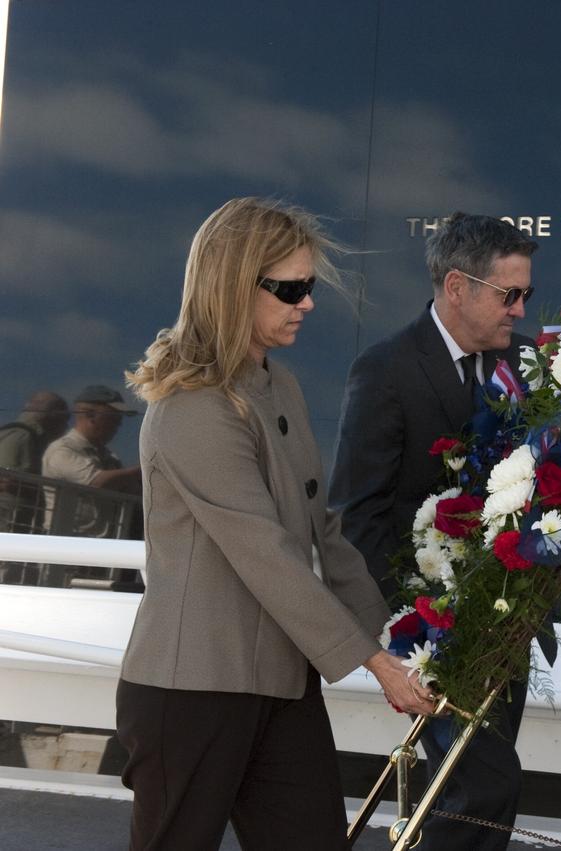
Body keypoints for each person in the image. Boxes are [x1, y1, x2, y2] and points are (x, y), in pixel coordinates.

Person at [116, 197, 436, 851]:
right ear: (235, 286)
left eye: (308, 286)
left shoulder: (277, 384)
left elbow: (322, 530)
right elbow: (265, 552)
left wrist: (400, 639)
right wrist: (376, 662)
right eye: (290, 288)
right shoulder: (194, 407)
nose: (307, 303)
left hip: (281, 684)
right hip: (194, 688)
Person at [330, 211, 539, 851]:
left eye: (524, 296)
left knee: (474, 794)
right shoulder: (387, 369)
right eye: (510, 295)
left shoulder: (517, 372)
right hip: (429, 629)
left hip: (501, 620)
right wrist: (398, 629)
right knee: (479, 786)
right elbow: (356, 511)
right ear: (457, 287)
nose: (520, 312)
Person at [42, 385, 142, 539]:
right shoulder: (62, 450)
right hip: (66, 542)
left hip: (100, 543)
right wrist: (144, 469)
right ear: (90, 415)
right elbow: (95, 482)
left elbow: (128, 488)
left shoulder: (109, 457)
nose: (118, 425)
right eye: (113, 418)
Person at [0, 391, 69, 537]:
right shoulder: (22, 437)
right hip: (10, 525)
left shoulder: (28, 436)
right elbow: (8, 483)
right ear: (53, 416)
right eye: (65, 418)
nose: (66, 427)